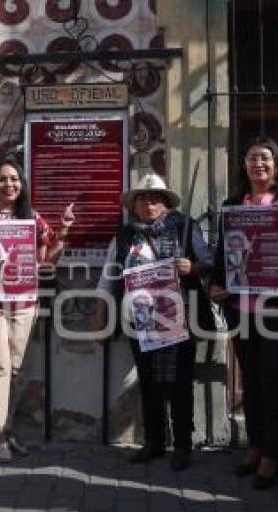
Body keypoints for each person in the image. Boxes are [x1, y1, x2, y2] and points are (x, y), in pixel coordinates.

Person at [210, 136, 278, 489]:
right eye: (252, 158)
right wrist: (216, 285)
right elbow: (224, 254)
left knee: (271, 378)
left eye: (265, 158)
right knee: (250, 380)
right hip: (242, 309)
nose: (258, 164)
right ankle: (254, 446)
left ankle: (272, 454)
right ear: (244, 165)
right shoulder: (233, 204)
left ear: (277, 165)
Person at [0, 159, 75, 462]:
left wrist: (62, 232)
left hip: (23, 302)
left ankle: (6, 430)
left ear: (22, 184)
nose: (9, 185)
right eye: (2, 179)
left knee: (15, 369)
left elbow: (47, 262)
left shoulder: (32, 218)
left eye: (14, 179)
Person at [94, 174, 214, 472]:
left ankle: (183, 444)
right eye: (143, 198)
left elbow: (210, 262)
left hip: (178, 317)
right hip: (140, 321)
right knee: (149, 383)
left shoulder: (185, 227)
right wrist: (100, 315)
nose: (150, 203)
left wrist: (192, 266)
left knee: (179, 383)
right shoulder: (124, 236)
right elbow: (109, 277)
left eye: (156, 198)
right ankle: (154, 442)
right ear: (134, 204)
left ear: (165, 204)